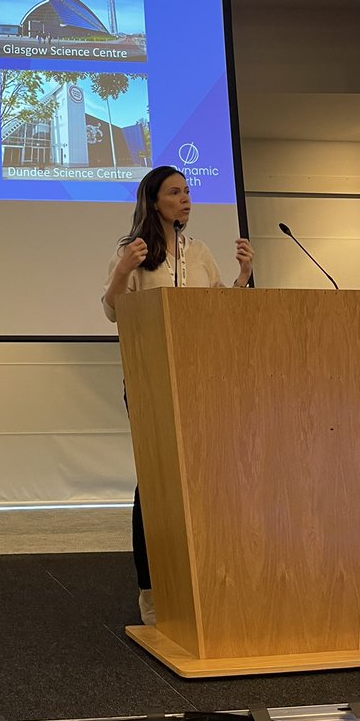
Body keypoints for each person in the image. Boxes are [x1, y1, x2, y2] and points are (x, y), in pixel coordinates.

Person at [102, 166, 254, 626]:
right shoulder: (132, 252)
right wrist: (124, 271)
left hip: (200, 380)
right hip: (150, 380)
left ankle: (197, 581)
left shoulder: (201, 251)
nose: (185, 199)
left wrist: (244, 275)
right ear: (153, 201)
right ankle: (151, 589)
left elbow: (218, 311)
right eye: (174, 192)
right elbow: (113, 311)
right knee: (155, 482)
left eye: (188, 191)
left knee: (199, 480)